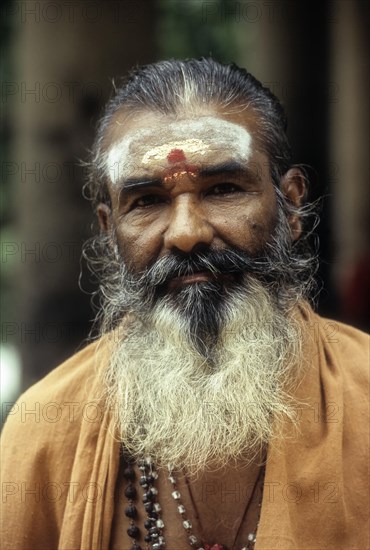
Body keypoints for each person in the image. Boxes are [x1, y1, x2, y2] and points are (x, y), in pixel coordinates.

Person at [1, 58, 368, 550]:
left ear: (292, 205)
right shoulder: (41, 433)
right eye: (148, 201)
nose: (187, 233)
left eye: (222, 189)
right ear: (111, 233)